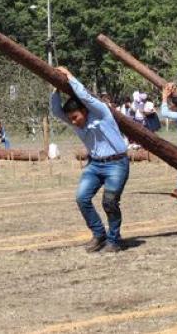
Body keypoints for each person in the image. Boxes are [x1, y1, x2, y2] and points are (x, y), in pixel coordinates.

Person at [51, 67, 129, 253]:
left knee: (109, 202)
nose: (74, 122)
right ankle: (99, 234)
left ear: (85, 111)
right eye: (71, 119)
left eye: (76, 117)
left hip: (116, 164)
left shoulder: (102, 114)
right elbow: (55, 111)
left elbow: (85, 97)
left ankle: (114, 240)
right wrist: (55, 87)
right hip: (94, 164)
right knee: (82, 198)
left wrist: (70, 77)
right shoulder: (75, 122)